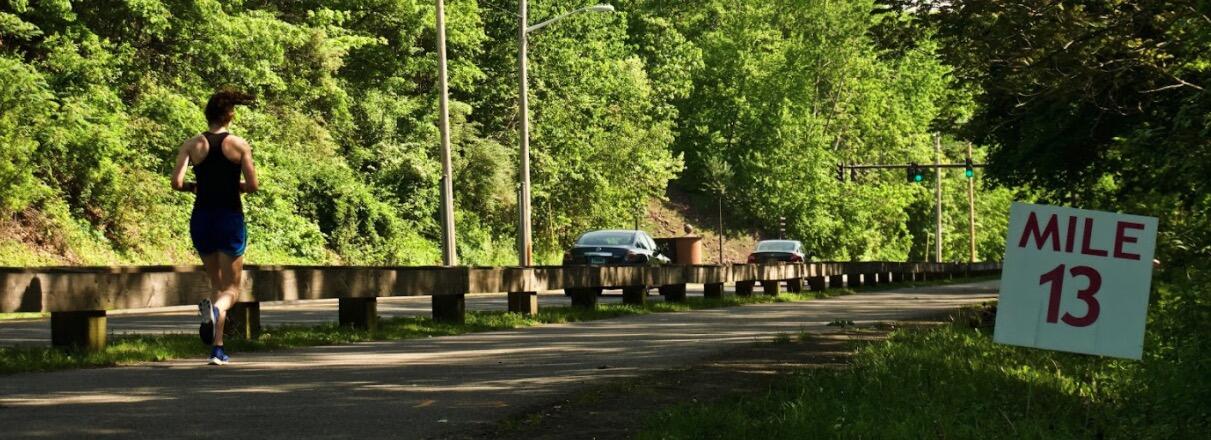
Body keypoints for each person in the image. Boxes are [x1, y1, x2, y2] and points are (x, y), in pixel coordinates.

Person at [170, 90, 258, 365]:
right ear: (229, 115)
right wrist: (237, 187)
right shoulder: (239, 145)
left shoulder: (192, 144)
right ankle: (216, 315)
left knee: (217, 285)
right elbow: (253, 186)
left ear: (207, 114)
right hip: (229, 218)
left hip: (202, 218)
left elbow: (176, 182)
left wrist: (195, 187)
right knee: (231, 290)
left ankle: (217, 348)